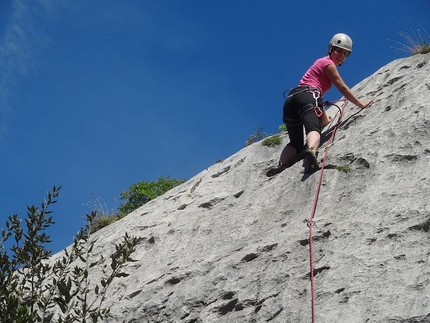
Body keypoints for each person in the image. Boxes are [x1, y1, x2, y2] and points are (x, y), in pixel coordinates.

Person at [266, 33, 374, 177]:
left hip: (292, 100)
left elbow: (315, 99)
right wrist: (360, 104)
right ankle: (311, 151)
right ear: (331, 48)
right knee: (314, 128)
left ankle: (281, 164)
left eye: (345, 54)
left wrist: (325, 119)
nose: (342, 55)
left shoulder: (319, 63)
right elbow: (342, 87)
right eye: (339, 51)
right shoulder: (328, 64)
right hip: (308, 95)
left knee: (296, 143)